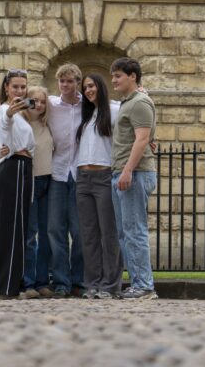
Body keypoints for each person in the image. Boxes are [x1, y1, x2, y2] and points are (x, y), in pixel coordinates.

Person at [110, 57, 158, 300]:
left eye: (118, 75)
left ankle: (144, 285)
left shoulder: (139, 103)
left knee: (134, 231)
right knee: (125, 232)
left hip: (134, 174)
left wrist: (128, 170)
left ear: (132, 76)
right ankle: (139, 283)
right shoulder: (129, 102)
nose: (114, 80)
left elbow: (142, 139)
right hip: (123, 172)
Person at [75, 74, 124, 299]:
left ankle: (110, 285)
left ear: (100, 86)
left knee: (109, 234)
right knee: (89, 235)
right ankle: (92, 284)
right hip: (82, 179)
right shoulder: (85, 115)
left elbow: (134, 122)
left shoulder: (114, 110)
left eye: (91, 85)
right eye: (85, 87)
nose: (88, 90)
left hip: (104, 176)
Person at [0, 69, 34, 299]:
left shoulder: (22, 115)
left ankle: (9, 285)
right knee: (11, 229)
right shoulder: (3, 110)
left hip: (21, 167)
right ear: (6, 87)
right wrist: (9, 110)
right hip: (14, 167)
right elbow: (4, 119)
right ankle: (4, 287)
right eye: (15, 86)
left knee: (17, 228)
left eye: (23, 87)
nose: (19, 90)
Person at [46, 64, 85, 298]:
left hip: (80, 174)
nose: (65, 85)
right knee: (54, 230)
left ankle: (78, 280)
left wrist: (142, 93)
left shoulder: (88, 105)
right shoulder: (51, 105)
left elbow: (117, 108)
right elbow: (28, 104)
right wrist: (3, 106)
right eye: (62, 81)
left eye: (69, 81)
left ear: (77, 82)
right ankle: (60, 281)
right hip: (57, 173)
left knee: (80, 231)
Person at [19, 86, 54, 299]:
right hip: (29, 181)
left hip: (48, 181)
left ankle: (43, 281)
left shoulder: (46, 123)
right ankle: (28, 282)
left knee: (46, 234)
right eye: (34, 100)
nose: (38, 105)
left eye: (42, 101)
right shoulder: (20, 123)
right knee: (30, 235)